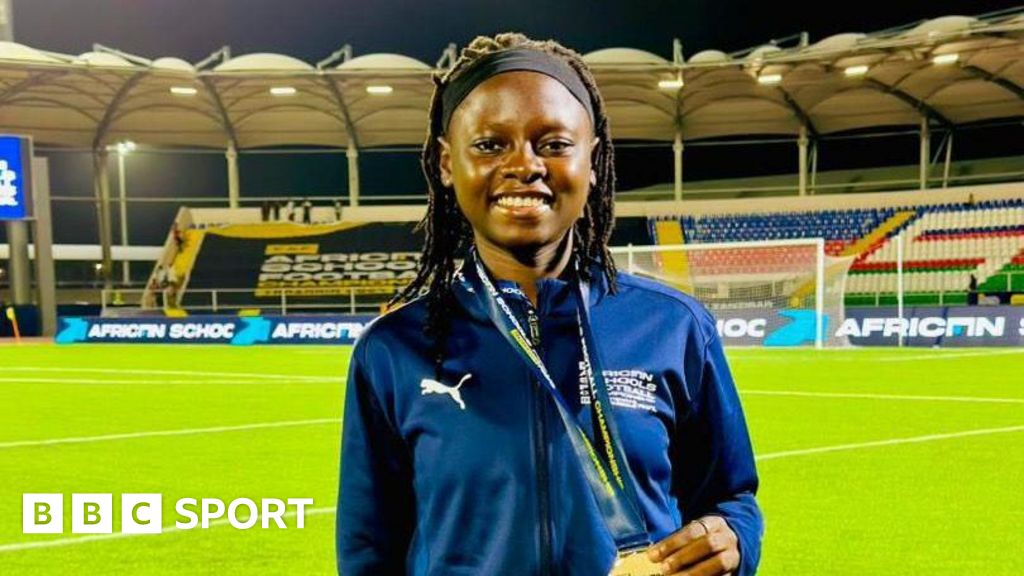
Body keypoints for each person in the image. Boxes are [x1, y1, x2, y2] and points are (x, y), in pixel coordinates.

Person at [337, 33, 762, 576]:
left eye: (554, 144)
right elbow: (367, 550)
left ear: (592, 160)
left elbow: (732, 499)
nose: (525, 165)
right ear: (447, 164)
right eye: (490, 144)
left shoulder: (674, 327)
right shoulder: (394, 348)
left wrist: (734, 541)